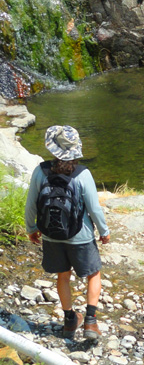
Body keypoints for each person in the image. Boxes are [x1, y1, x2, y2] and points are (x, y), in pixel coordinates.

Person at [24, 125, 111, 340]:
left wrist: (31, 228)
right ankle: (90, 321)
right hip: (80, 236)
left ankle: (70, 320)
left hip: (51, 235)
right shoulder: (83, 174)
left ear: (53, 150)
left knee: (63, 276)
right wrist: (104, 231)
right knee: (94, 273)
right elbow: (94, 207)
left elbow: (30, 205)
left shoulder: (40, 171)